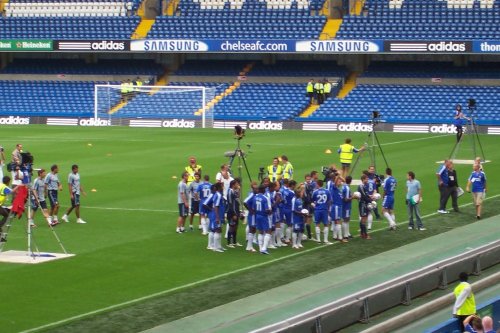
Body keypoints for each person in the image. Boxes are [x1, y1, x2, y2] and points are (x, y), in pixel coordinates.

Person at [203, 183, 225, 252]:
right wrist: (217, 217)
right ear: (219, 187)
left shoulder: (218, 194)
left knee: (219, 230)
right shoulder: (218, 195)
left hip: (218, 215)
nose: (223, 187)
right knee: (216, 230)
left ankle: (218, 246)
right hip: (216, 215)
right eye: (222, 186)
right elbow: (216, 206)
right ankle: (215, 248)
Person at [0, 176, 22, 241]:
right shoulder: (4, 187)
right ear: (8, 182)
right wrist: (18, 186)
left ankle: (1, 237)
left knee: (6, 212)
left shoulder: (1, 185)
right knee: (6, 215)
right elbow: (11, 192)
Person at [254, 185, 272, 255]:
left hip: (257, 215)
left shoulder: (255, 197)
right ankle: (264, 248)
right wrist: (270, 211)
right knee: (268, 231)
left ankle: (260, 248)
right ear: (264, 190)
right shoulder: (265, 198)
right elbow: (267, 209)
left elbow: (254, 207)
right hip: (264, 216)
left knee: (260, 232)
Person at [312, 179, 332, 244]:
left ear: (317, 184)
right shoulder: (327, 191)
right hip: (324, 209)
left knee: (317, 224)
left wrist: (314, 205)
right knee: (326, 224)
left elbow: (312, 200)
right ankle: (325, 240)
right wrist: (328, 208)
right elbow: (330, 201)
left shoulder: (315, 192)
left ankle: (318, 240)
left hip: (317, 210)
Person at [226, 179, 242, 248]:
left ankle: (234, 242)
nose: (237, 185)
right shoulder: (230, 191)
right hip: (232, 212)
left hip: (236, 211)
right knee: (231, 227)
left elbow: (237, 197)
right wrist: (233, 214)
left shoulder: (233, 191)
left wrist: (239, 190)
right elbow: (230, 203)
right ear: (233, 185)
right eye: (236, 184)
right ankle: (229, 243)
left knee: (235, 227)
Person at [357, 174, 372, 240]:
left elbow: (367, 195)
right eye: (366, 179)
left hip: (365, 204)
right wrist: (371, 201)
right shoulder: (361, 186)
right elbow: (363, 196)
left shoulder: (364, 186)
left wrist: (371, 197)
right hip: (363, 204)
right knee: (364, 219)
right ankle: (365, 235)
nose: (367, 180)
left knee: (363, 218)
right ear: (363, 179)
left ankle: (362, 233)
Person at [341, 176, 354, 240]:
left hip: (344, 206)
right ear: (351, 181)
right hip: (346, 206)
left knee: (347, 220)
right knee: (345, 220)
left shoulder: (344, 186)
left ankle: (347, 233)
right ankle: (345, 235)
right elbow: (346, 199)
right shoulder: (347, 188)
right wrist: (353, 197)